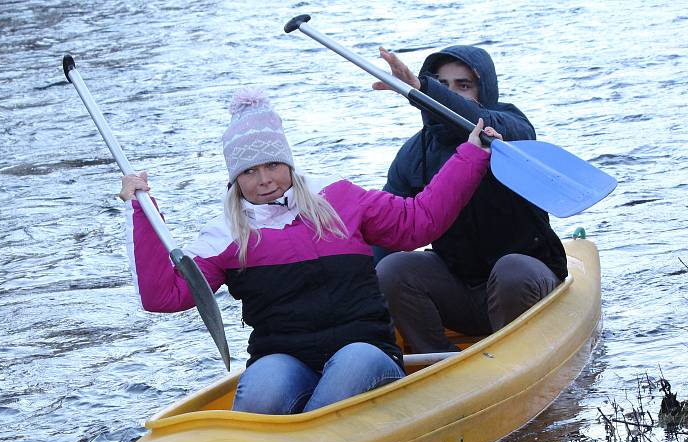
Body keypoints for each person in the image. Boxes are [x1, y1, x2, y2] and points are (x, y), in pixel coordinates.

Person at [118, 88, 499, 415]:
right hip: (286, 359)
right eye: (249, 172)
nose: (264, 179)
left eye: (272, 165)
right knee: (264, 387)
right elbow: (164, 296)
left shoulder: (339, 199)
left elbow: (420, 221)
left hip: (366, 351)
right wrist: (143, 213)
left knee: (352, 363)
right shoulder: (225, 236)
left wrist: (470, 156)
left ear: (288, 163)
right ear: (234, 178)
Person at [372, 45, 568, 354]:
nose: (451, 93)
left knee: (511, 271)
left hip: (525, 283)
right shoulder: (413, 154)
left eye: (463, 85)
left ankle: (515, 359)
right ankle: (439, 366)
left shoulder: (508, 125)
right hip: (459, 290)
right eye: (442, 84)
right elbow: (386, 231)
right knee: (393, 270)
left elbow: (481, 118)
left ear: (484, 89)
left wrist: (425, 88)